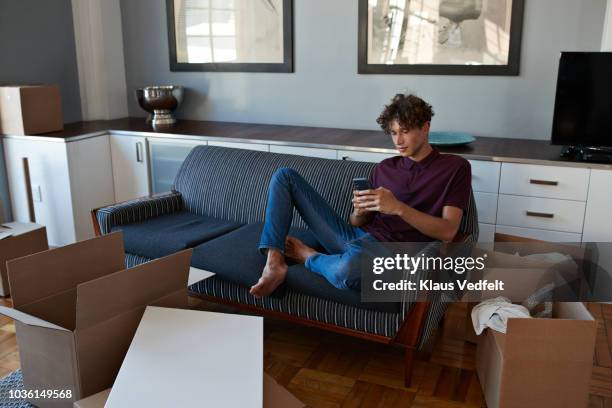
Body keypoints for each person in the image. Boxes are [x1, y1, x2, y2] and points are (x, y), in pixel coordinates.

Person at [249, 94, 472, 298]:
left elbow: (448, 231)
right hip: (354, 237)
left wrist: (398, 208)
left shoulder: (455, 168)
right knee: (284, 176)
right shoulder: (385, 167)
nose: (398, 141)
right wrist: (359, 211)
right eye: (394, 133)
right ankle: (274, 261)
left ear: (425, 128)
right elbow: (356, 222)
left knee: (346, 271)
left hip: (391, 254)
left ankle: (308, 256)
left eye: (405, 131)